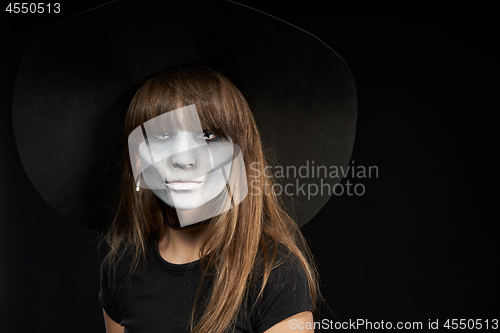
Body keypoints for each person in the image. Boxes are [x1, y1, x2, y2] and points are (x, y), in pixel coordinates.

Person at [98, 65, 321, 333]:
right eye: (162, 135)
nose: (184, 159)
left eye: (207, 135)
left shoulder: (274, 273)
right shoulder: (121, 267)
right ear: (138, 159)